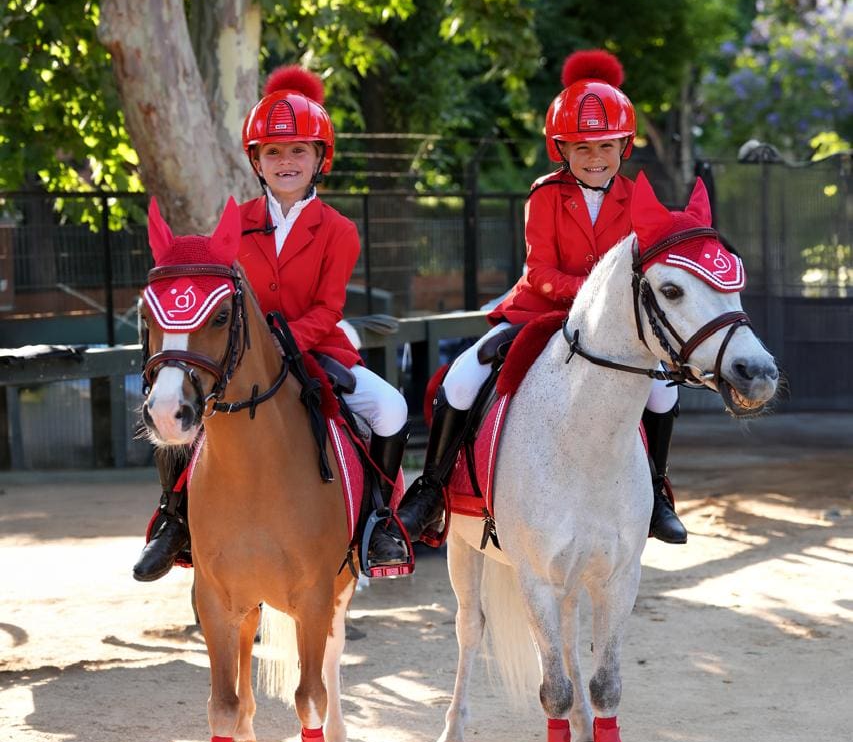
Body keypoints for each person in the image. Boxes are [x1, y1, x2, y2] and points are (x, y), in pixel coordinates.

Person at [397, 49, 687, 546]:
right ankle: (430, 490)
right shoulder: (545, 194)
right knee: (464, 380)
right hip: (543, 311)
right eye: (581, 148)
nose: (594, 158)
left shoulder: (640, 200)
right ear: (562, 150)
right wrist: (595, 294)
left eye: (605, 146)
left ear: (624, 146)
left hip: (615, 325)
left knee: (664, 391)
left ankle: (656, 493)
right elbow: (541, 271)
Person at [133, 66, 411, 581]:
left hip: (317, 350)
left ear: (319, 159)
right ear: (257, 161)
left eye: (298, 151)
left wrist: (284, 344)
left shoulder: (340, 231)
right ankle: (174, 522)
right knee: (181, 407)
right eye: (274, 153)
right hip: (240, 356)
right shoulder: (233, 223)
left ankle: (379, 521)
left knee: (392, 409)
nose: (287, 162)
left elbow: (329, 309)